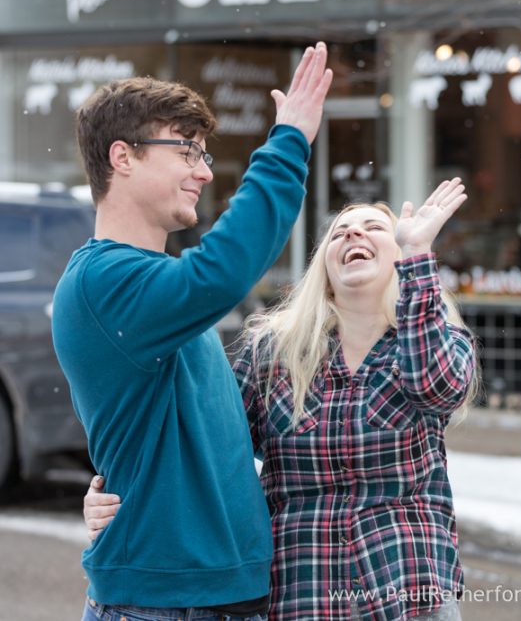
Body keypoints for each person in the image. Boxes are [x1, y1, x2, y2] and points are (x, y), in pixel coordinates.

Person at [85, 181, 477, 620]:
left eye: (373, 228)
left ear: (400, 256)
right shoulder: (272, 351)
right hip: (302, 594)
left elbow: (436, 387)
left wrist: (418, 254)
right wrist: (121, 494)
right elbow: (209, 451)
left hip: (405, 592)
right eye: (340, 232)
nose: (354, 235)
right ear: (323, 268)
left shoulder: (434, 339)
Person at [52, 42, 333, 621]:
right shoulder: (102, 282)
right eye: (187, 151)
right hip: (161, 604)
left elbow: (207, 427)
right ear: (123, 157)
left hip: (218, 597)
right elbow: (221, 272)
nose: (204, 171)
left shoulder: (155, 289)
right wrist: (288, 143)